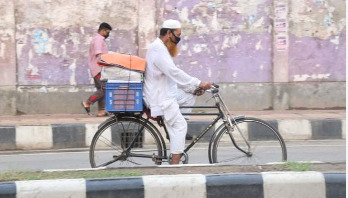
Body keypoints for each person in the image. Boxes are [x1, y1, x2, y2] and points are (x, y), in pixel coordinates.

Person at [143, 19, 212, 164]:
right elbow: (173, 72)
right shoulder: (158, 49)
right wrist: (198, 83)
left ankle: (173, 133)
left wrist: (193, 88)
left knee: (189, 96)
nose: (178, 39)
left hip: (164, 91)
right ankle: (174, 166)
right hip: (160, 97)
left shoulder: (160, 48)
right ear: (169, 33)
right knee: (181, 126)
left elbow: (170, 77)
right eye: (177, 35)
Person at [81, 22, 112, 117]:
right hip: (98, 68)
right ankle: (88, 103)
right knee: (104, 89)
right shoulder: (98, 40)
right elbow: (99, 55)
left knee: (102, 89)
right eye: (107, 32)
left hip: (99, 68)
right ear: (103, 30)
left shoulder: (98, 39)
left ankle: (101, 111)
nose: (108, 34)